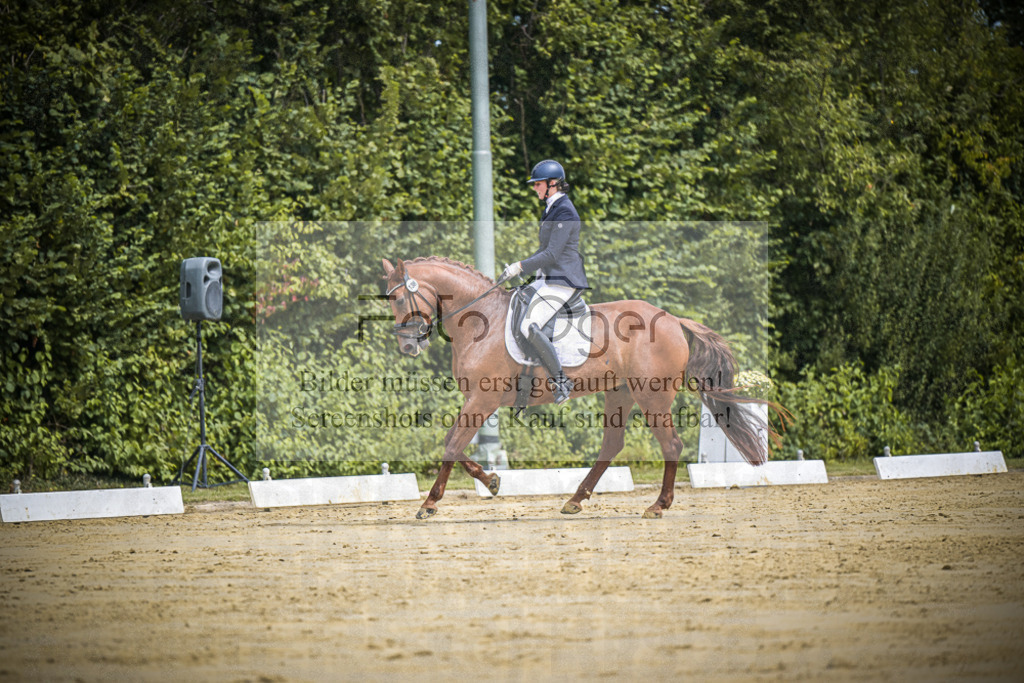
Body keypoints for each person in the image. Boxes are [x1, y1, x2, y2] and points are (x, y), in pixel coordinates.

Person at [500, 159, 589, 404]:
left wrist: (519, 266)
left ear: (553, 184)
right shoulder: (550, 208)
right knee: (514, 302)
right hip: (547, 278)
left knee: (529, 325)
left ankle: (561, 381)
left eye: (537, 184)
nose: (534, 188)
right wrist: (528, 275)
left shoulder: (565, 211)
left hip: (562, 280)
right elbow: (544, 252)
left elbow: (552, 254)